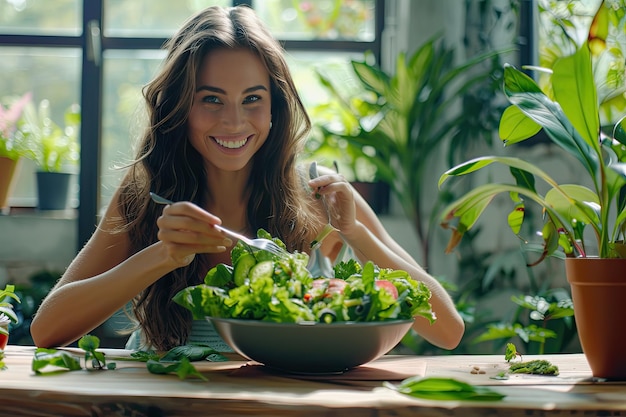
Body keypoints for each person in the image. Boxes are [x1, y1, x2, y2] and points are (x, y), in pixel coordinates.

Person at [30, 5, 464, 352]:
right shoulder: (145, 194)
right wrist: (162, 255)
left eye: (252, 99)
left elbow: (447, 331)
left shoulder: (319, 195)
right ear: (180, 108)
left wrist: (357, 234)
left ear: (275, 108)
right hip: (160, 403)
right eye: (211, 99)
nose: (234, 122)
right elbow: (47, 330)